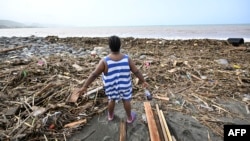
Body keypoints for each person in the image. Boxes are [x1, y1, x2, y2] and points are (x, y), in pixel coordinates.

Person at [77, 35, 148, 123]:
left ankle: (110, 116)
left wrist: (85, 86)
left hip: (111, 87)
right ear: (120, 45)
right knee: (126, 100)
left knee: (111, 100)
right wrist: (143, 81)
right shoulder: (127, 59)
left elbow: (94, 74)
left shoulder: (105, 61)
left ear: (109, 47)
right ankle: (129, 118)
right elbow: (136, 71)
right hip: (125, 86)